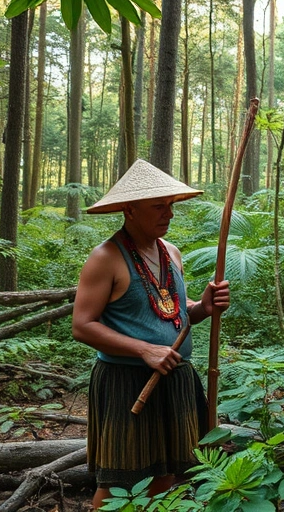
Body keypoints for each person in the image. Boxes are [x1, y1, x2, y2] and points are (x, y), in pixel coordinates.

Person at [72, 159, 231, 509]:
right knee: (119, 482)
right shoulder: (105, 257)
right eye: (159, 206)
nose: (169, 214)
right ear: (130, 210)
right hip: (126, 382)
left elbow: (173, 309)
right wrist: (144, 349)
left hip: (175, 380)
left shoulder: (170, 252)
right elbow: (82, 325)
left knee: (166, 475)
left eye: (170, 205)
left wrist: (203, 307)